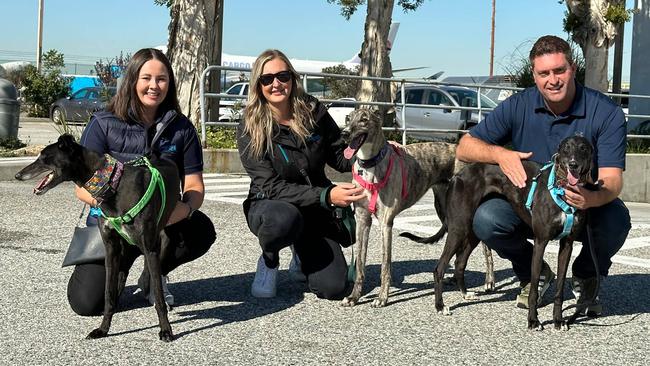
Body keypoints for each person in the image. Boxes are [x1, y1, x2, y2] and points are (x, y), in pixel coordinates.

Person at [456, 35, 631, 314]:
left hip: (582, 204)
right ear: (534, 76)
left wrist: (590, 199)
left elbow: (612, 181)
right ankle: (534, 273)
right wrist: (501, 154)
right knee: (487, 219)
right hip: (530, 207)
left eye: (559, 70)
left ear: (572, 68)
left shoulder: (605, 112)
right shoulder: (518, 105)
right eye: (544, 73)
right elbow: (464, 147)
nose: (553, 80)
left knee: (616, 219)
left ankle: (586, 275)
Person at [67, 48, 216, 316]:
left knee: (202, 230)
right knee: (87, 304)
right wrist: (119, 215)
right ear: (133, 79)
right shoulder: (103, 123)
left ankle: (153, 274)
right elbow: (82, 187)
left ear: (169, 83)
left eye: (162, 79)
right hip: (113, 225)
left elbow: (194, 186)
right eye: (146, 78)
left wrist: (184, 209)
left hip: (158, 225)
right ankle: (120, 267)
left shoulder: (181, 128)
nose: (154, 86)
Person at [236, 49, 364, 299]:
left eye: (283, 76)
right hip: (271, 206)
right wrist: (327, 196)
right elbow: (272, 187)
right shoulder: (249, 126)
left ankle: (301, 254)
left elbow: (340, 158)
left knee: (335, 288)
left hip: (314, 207)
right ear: (258, 85)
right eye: (267, 79)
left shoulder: (315, 112)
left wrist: (373, 153)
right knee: (285, 218)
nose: (276, 84)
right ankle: (270, 261)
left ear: (293, 79)